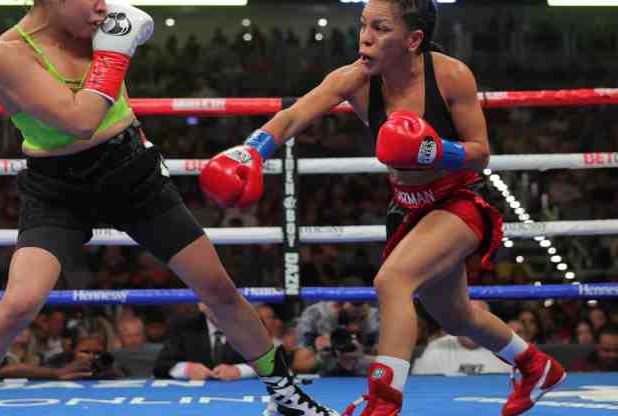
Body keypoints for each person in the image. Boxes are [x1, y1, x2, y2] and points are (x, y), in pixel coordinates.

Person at [0, 1, 334, 416]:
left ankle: (287, 397)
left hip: (131, 172)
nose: (104, 4)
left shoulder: (94, 21)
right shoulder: (8, 54)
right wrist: (116, 50)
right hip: (57, 187)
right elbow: (80, 119)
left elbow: (129, 49)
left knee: (218, 289)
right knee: (19, 304)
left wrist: (117, 39)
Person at [199, 1, 566, 415]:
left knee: (393, 281)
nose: (365, 36)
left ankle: (383, 402)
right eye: (362, 26)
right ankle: (535, 366)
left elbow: (480, 153)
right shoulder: (354, 80)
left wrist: (433, 151)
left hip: (460, 199)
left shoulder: (450, 75)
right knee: (457, 315)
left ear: (413, 40)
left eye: (380, 27)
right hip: (408, 207)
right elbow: (293, 116)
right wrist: (252, 152)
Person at [411, 301, 512, 376]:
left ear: (489, 321)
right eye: (466, 317)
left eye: (478, 318)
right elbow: (420, 386)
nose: (471, 325)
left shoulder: (504, 348)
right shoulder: (437, 347)